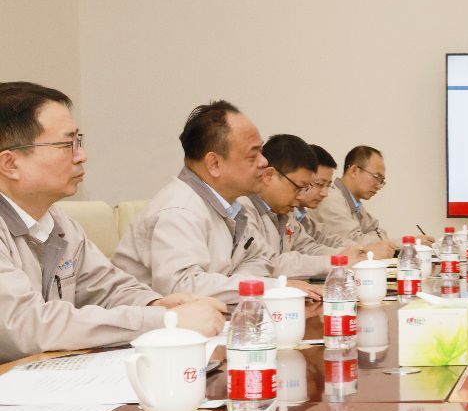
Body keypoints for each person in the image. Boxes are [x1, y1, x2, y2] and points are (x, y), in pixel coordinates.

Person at [0, 82, 224, 362]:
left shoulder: (58, 222)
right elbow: (25, 327)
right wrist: (165, 321)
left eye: (79, 141)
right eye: (67, 144)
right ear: (10, 164)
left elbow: (107, 287)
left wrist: (156, 303)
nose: (82, 156)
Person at [113, 101, 319, 304]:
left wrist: (238, 283)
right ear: (214, 164)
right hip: (159, 323)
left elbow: (261, 258)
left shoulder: (232, 208)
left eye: (261, 152)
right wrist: (273, 287)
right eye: (253, 154)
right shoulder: (179, 210)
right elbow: (183, 286)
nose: (264, 162)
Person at [241, 135, 373, 278]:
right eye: (298, 187)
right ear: (269, 176)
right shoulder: (244, 210)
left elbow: (308, 248)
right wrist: (336, 261)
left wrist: (349, 256)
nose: (300, 197)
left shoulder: (285, 213)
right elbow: (268, 263)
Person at [296, 143, 394, 259]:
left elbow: (323, 242)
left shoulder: (354, 203)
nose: (325, 193)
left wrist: (361, 252)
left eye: (328, 185)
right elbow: (355, 240)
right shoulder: (331, 200)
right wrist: (363, 253)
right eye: (377, 177)